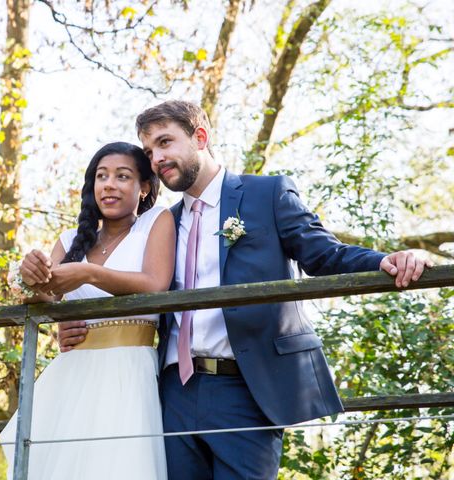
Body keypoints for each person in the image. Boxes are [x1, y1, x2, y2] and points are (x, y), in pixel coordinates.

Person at [58, 101, 433, 479]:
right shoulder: (162, 224)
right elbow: (134, 291)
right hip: (172, 392)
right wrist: (79, 326)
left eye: (165, 142)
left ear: (200, 137)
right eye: (150, 150)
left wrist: (385, 260)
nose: (157, 158)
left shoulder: (266, 194)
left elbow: (323, 254)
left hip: (245, 386)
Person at [0, 141, 175, 479]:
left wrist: (89, 273)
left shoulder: (156, 222)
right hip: (73, 372)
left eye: (122, 176)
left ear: (144, 188)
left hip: (129, 368)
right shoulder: (69, 241)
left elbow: (155, 283)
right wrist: (32, 277)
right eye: (101, 176)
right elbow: (44, 298)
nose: (109, 184)